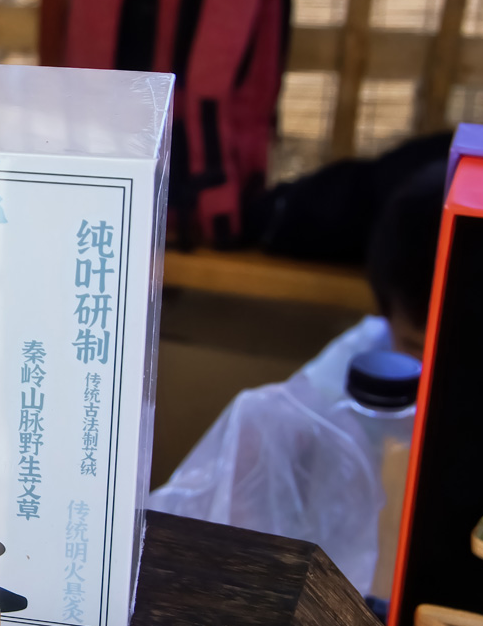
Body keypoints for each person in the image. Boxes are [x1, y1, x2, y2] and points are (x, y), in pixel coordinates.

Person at [149, 162, 447, 593]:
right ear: (384, 312)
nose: (431, 368)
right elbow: (268, 443)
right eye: (417, 347)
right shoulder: (358, 362)